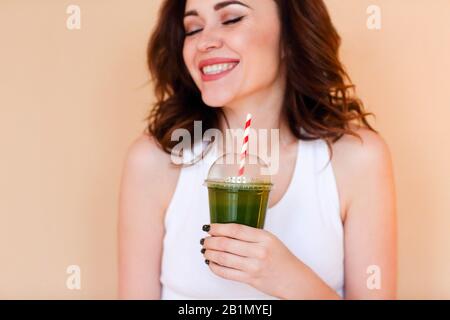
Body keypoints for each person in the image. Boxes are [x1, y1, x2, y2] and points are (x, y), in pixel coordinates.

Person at [118, 0, 397, 299]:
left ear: (289, 38)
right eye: (194, 28)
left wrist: (287, 278)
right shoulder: (153, 161)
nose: (204, 42)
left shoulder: (358, 159)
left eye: (232, 19)